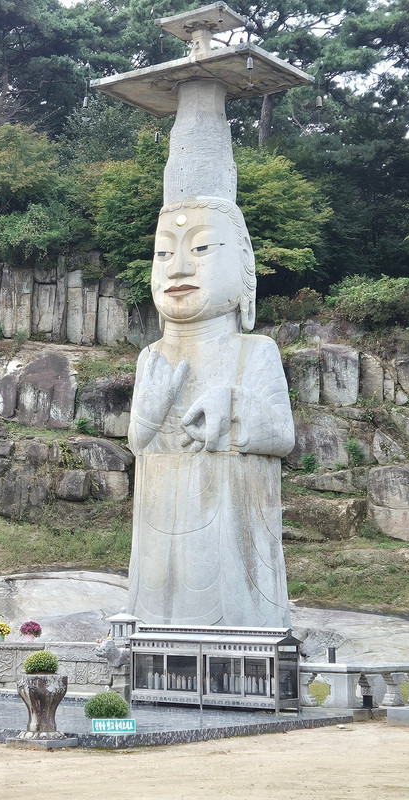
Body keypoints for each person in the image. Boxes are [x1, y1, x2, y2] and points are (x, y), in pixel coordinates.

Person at [125, 198, 295, 627]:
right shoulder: (151, 357)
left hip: (230, 526)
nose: (177, 268)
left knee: (232, 611)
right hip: (158, 524)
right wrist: (146, 414)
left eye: (200, 249)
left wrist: (233, 403)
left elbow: (283, 435)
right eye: (163, 253)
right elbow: (137, 443)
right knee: (154, 614)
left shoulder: (255, 351)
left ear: (244, 272)